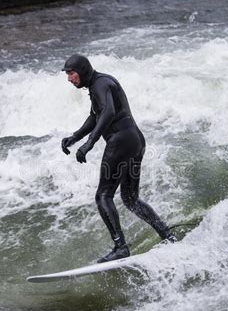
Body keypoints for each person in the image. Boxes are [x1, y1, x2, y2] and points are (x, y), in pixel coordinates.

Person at [61, 54, 177, 263]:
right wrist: (75, 137)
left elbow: (107, 113)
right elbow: (95, 116)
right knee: (130, 199)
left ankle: (120, 246)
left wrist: (89, 143)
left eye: (71, 73)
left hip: (120, 142)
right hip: (135, 140)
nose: (69, 79)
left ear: (82, 70)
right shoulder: (101, 83)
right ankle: (167, 236)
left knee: (103, 196)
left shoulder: (100, 84)